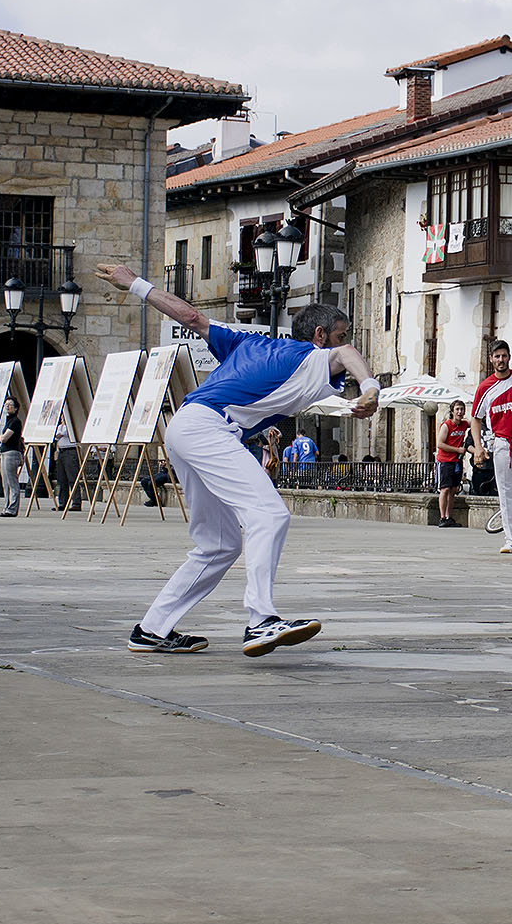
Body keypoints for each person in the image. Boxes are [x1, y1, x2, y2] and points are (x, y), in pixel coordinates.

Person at [96, 260, 378, 657]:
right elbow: (346, 354)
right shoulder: (309, 356)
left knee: (219, 544)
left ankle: (152, 629)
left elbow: (191, 317)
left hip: (184, 426)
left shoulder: (248, 343)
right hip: (208, 428)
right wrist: (370, 387)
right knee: (269, 515)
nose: (343, 341)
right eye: (339, 334)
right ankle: (261, 619)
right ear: (320, 335)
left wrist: (135, 284)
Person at [473, 339, 512, 555]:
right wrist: (478, 446)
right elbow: (476, 418)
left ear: (509, 357)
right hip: (502, 442)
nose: (501, 360)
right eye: (497, 356)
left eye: (504, 356)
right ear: (491, 359)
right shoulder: (485, 388)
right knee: (506, 492)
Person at [433, 399, 472, 527]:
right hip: (445, 461)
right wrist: (457, 449)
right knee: (444, 489)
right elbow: (440, 444)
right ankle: (442, 517)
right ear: (452, 411)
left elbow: (475, 421)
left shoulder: (464, 424)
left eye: (462, 409)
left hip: (457, 462)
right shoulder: (446, 425)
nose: (460, 412)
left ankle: (449, 516)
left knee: (453, 490)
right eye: (457, 409)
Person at [0, 396, 25, 517]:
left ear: (15, 408)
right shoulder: (9, 421)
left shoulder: (15, 422)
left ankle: (12, 508)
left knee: (12, 481)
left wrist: (2, 437)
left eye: (10, 405)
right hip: (5, 452)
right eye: (6, 404)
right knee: (5, 481)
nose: (7, 406)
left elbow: (4, 438)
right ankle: (7, 507)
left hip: (11, 453)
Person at [52, 409, 84, 515]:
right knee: (62, 479)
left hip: (70, 450)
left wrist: (60, 434)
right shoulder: (60, 426)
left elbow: (64, 434)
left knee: (72, 477)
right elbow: (56, 436)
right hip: (61, 451)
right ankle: (62, 502)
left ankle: (76, 502)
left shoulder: (71, 426)